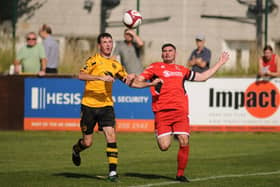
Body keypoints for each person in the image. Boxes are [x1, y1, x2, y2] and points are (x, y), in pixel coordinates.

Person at [71, 32, 160, 182]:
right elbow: (80, 75)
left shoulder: (116, 65)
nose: (108, 45)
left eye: (110, 42)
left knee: (111, 135)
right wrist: (100, 77)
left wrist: (150, 84)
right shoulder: (93, 61)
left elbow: (130, 82)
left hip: (106, 106)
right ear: (99, 45)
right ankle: (76, 150)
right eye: (105, 42)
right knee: (87, 142)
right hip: (89, 106)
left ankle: (112, 173)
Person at [135, 43, 229, 182]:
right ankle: (165, 134)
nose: (167, 53)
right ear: (162, 54)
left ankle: (180, 174)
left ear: (175, 53)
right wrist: (148, 82)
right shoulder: (154, 67)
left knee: (184, 140)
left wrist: (219, 63)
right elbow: (138, 81)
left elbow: (202, 77)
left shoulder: (182, 70)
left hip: (180, 111)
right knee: (164, 146)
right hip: (162, 112)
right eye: (165, 51)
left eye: (170, 51)